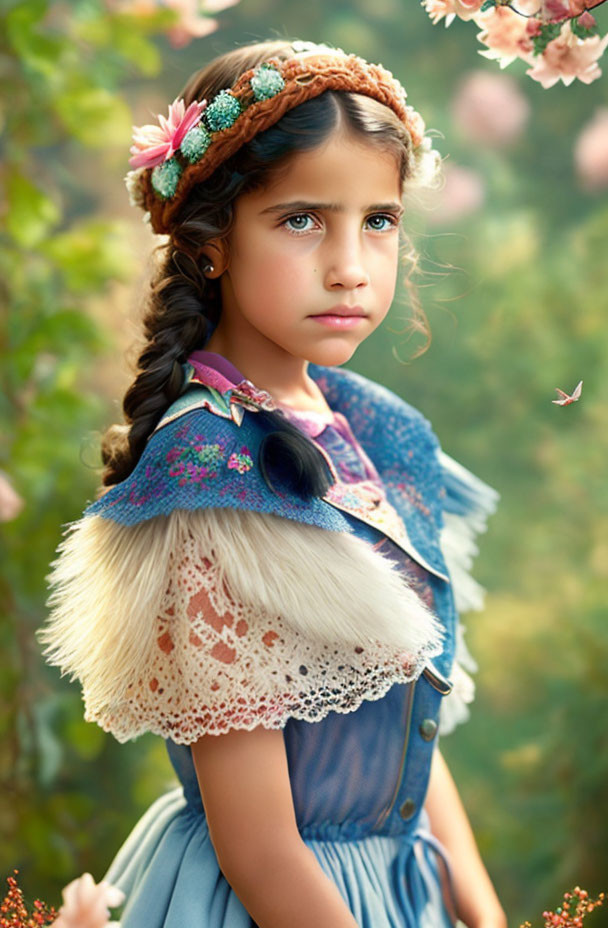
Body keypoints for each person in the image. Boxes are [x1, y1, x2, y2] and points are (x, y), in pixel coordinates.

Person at [37, 38, 505, 928]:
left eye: (379, 220)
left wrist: (481, 913)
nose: (351, 266)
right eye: (301, 220)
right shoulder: (213, 478)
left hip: (396, 889)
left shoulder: (373, 430)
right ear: (212, 242)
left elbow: (409, 718)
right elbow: (258, 850)